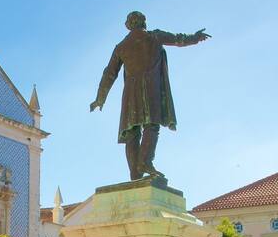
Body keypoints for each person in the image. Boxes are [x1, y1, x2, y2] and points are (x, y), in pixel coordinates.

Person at [90, 11, 211, 181]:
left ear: (128, 25)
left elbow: (109, 73)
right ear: (143, 22)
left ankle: (135, 174)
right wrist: (196, 37)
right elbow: (178, 39)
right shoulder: (154, 36)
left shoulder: (121, 46)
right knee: (151, 125)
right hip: (150, 89)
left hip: (130, 93)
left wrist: (99, 98)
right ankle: (145, 161)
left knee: (131, 131)